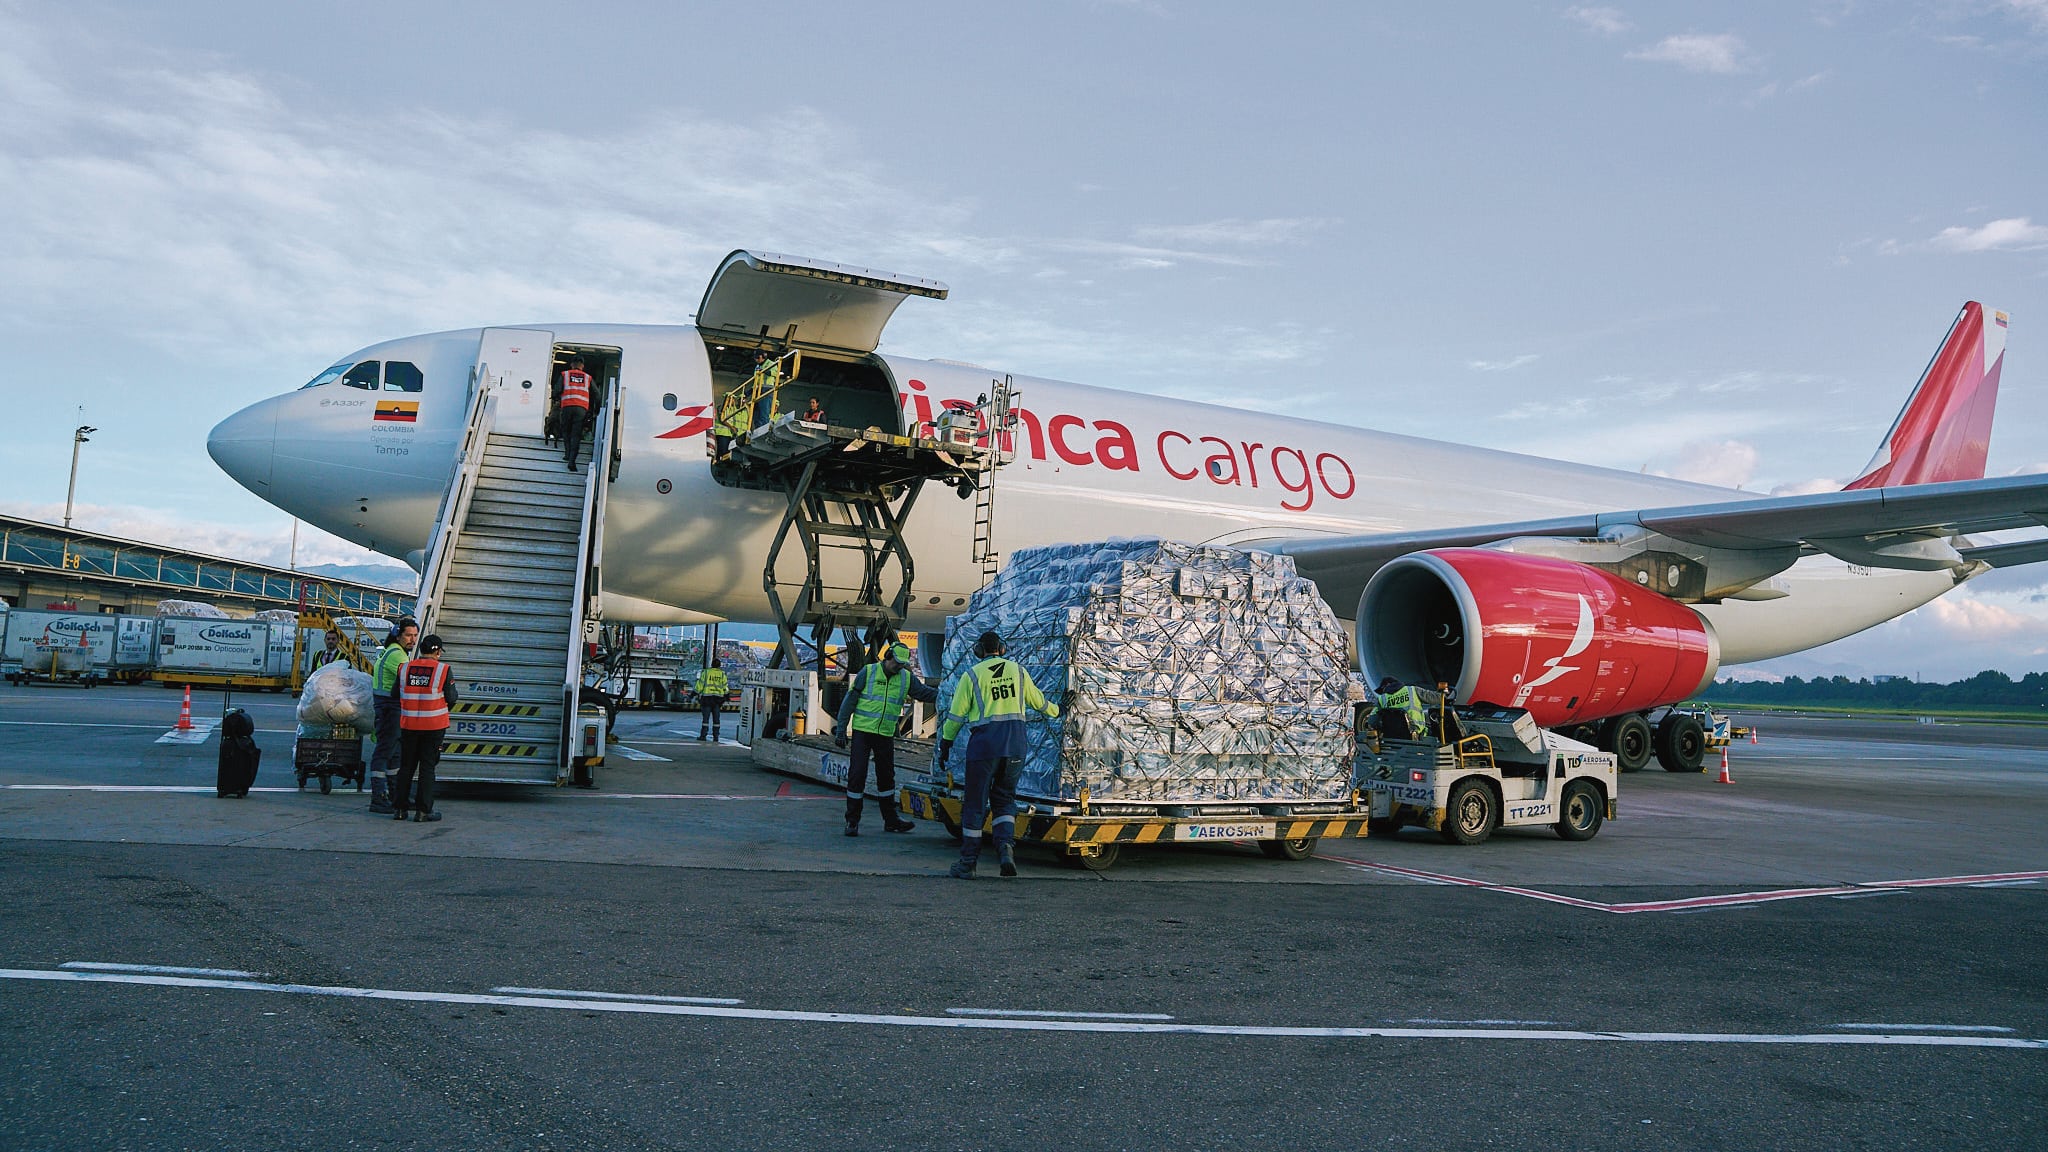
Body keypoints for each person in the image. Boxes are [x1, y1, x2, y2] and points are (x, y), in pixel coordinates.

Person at [936, 630, 1060, 879]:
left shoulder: (972, 676)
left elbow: (956, 717)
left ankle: (968, 863)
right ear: (1002, 649)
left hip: (984, 748)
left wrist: (946, 743)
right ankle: (1005, 849)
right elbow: (1039, 703)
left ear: (979, 650)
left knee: (975, 803)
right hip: (1015, 747)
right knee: (1004, 800)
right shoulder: (1019, 671)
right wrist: (1058, 709)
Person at [833, 643, 936, 836]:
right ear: (887, 656)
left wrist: (947, 695)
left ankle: (891, 820)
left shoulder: (906, 678)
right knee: (857, 776)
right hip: (863, 733)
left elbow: (923, 693)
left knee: (887, 777)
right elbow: (849, 701)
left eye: (902, 664)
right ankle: (852, 821)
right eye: (896, 663)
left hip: (885, 734)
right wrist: (841, 730)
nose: (899, 667)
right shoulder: (869, 672)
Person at [393, 633, 458, 822]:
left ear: (420, 650)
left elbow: (395, 694)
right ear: (438, 652)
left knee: (406, 766)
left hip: (409, 724)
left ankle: (399, 809)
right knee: (427, 768)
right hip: (434, 726)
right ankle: (423, 811)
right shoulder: (443, 670)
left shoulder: (404, 668)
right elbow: (452, 697)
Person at [366, 617, 417, 815]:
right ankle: (378, 798)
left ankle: (397, 796)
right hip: (390, 707)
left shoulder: (394, 651)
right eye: (408, 635)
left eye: (415, 635)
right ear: (397, 635)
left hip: (390, 706)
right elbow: (411, 681)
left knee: (395, 754)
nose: (412, 639)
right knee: (384, 752)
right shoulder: (397, 655)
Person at [558, 357, 594, 471]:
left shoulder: (565, 374)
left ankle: (567, 453)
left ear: (571, 364)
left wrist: (557, 398)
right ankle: (572, 462)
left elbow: (557, 390)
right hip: (581, 409)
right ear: (582, 366)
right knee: (576, 435)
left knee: (565, 431)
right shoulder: (588, 377)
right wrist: (595, 410)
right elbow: (597, 394)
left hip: (567, 407)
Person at [1377, 676, 1427, 742]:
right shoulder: (1412, 690)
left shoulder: (1382, 699)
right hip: (1414, 737)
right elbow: (1436, 697)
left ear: (1388, 685)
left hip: (1390, 739)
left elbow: (1372, 721)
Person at [694, 658, 728, 741]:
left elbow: (700, 685)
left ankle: (703, 735)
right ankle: (716, 736)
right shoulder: (722, 674)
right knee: (716, 719)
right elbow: (725, 687)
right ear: (719, 666)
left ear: (712, 665)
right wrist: (727, 696)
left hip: (707, 698)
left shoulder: (706, 672)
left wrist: (693, 693)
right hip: (718, 700)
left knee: (705, 719)